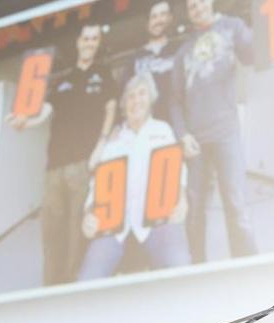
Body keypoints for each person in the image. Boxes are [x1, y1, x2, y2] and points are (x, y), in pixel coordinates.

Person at [7, 23, 119, 285]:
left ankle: (72, 283)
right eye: (86, 38)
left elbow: (111, 109)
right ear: (78, 42)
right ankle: (50, 285)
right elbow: (46, 111)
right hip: (54, 167)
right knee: (51, 232)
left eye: (94, 39)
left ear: (97, 44)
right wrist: (25, 122)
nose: (90, 43)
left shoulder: (104, 74)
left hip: (83, 163)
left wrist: (101, 145)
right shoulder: (63, 80)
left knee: (77, 230)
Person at [78, 73, 191, 280]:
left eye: (142, 94)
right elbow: (97, 184)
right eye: (130, 96)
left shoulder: (162, 130)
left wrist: (182, 198)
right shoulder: (114, 140)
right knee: (87, 280)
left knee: (180, 267)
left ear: (150, 100)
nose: (136, 100)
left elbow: (178, 169)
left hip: (157, 219)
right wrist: (88, 214)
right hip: (115, 225)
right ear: (123, 104)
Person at [170, 0, 258, 263]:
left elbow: (255, 53)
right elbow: (174, 100)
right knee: (195, 209)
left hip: (225, 133)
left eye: (199, 2)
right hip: (195, 141)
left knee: (236, 203)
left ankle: (247, 266)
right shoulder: (183, 51)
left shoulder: (232, 27)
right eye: (190, 6)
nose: (196, 7)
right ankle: (198, 265)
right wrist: (182, 134)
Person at [125, 1, 180, 123]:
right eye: (153, 16)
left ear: (170, 18)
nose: (158, 20)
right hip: (150, 128)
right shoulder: (134, 59)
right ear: (147, 23)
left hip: (183, 123)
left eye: (162, 14)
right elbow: (126, 97)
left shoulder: (180, 49)